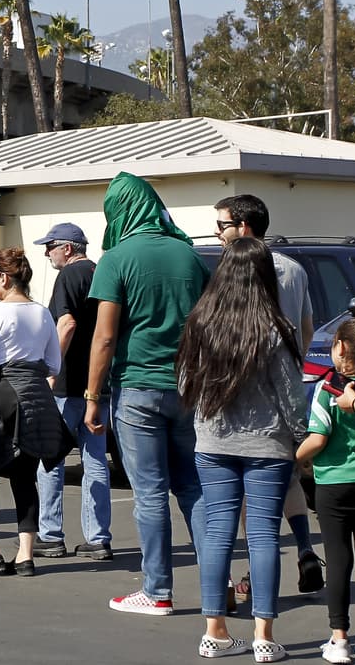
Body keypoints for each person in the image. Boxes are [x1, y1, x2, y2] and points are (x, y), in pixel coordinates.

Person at [84, 172, 210, 616]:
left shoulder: (116, 259)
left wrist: (92, 396)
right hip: (188, 388)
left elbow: (103, 338)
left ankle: (157, 591)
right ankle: (220, 585)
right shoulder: (190, 256)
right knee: (194, 487)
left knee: (151, 493)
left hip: (137, 388)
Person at [179, 237, 306, 662]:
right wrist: (303, 438)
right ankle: (264, 636)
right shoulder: (274, 327)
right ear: (265, 275)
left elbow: (184, 385)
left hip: (213, 441)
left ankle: (214, 631)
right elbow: (291, 396)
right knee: (264, 535)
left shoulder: (200, 322)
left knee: (218, 533)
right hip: (267, 443)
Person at [215, 193, 325, 596]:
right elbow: (308, 326)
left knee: (246, 490)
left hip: (245, 393)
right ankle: (305, 549)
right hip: (288, 384)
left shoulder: (237, 266)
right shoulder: (295, 269)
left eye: (222, 224)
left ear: (244, 226)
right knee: (289, 474)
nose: (219, 233)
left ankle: (255, 576)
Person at [0, 248, 69, 579]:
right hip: (37, 396)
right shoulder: (41, 313)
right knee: (25, 474)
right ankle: (25, 556)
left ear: (4, 278)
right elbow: (54, 363)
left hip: (1, 393)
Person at [30, 223, 112, 561]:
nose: (46, 252)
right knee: (95, 461)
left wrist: (52, 367)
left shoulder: (69, 277)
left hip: (67, 385)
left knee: (51, 459)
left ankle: (50, 535)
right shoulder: (101, 273)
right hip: (99, 383)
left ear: (67, 247)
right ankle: (98, 538)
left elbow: (67, 323)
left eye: (50, 246)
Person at [300, 319, 355, 664]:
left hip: (334, 484)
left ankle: (339, 638)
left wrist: (291, 458)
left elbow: (318, 438)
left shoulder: (330, 387)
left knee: (338, 560)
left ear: (340, 348)